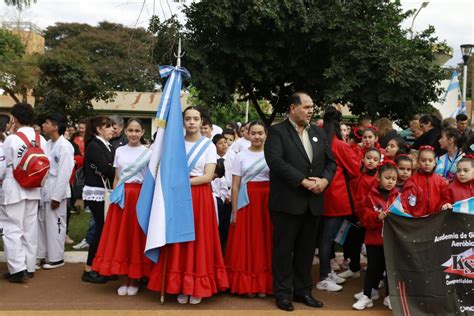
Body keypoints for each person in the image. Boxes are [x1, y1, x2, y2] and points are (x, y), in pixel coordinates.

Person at [147, 106, 228, 304]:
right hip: (177, 196)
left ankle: (197, 286)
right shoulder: (175, 144)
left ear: (202, 122)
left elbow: (208, 176)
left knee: (198, 240)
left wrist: (181, 181)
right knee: (178, 240)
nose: (192, 122)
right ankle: (181, 284)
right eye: (188, 119)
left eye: (196, 119)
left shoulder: (208, 146)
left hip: (199, 196)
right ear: (183, 122)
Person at [264, 92, 336, 312]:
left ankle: (303, 291)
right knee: (284, 250)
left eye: (312, 107)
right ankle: (283, 293)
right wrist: (303, 182)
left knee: (306, 251)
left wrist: (324, 180)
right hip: (287, 202)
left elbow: (331, 163)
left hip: (313, 202)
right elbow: (275, 161)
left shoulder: (318, 132)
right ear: (292, 108)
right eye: (306, 107)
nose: (311, 110)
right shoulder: (277, 132)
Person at [92, 118, 152, 296]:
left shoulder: (148, 153)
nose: (133, 134)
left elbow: (150, 180)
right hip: (121, 196)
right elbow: (117, 177)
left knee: (135, 236)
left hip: (139, 196)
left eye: (137, 131)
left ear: (142, 132)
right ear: (125, 132)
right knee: (122, 237)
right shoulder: (119, 150)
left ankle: (135, 279)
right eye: (130, 130)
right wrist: (113, 196)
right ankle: (125, 277)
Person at [1, 103, 47, 283]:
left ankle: (17, 269)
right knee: (30, 229)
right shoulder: (40, 139)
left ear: (15, 118)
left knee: (12, 229)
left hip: (14, 187)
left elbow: (5, 165)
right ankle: (29, 266)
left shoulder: (11, 139)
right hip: (34, 187)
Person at [226, 121, 272, 296]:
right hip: (246, 201)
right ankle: (248, 284)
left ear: (266, 134)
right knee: (247, 241)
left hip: (267, 200)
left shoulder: (272, 154)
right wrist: (235, 210)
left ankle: (264, 284)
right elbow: (235, 185)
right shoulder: (240, 156)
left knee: (264, 240)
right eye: (253, 133)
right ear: (247, 135)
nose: (257, 136)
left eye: (260, 133)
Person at [316, 106, 360, 292]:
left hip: (319, 193)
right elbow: (355, 170)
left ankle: (326, 272)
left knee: (324, 238)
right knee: (327, 239)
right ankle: (324, 276)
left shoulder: (318, 140)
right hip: (337, 195)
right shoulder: (340, 145)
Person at [352, 161, 398, 311]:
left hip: (391, 242)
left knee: (390, 270)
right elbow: (365, 218)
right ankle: (367, 296)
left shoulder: (399, 197)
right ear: (379, 178)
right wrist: (377, 217)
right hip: (373, 240)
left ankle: (389, 297)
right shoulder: (370, 196)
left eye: (393, 179)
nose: (390, 181)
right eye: (387, 178)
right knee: (373, 268)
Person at [37, 114, 75, 270]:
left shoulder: (65, 146)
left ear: (55, 127)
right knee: (42, 224)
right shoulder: (47, 144)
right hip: (45, 188)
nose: (43, 125)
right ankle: (41, 254)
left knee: (56, 224)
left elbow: (65, 173)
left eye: (46, 123)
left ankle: (56, 257)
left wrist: (57, 197)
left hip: (56, 191)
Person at [81, 116, 115, 283]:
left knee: (105, 229)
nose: (112, 129)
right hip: (98, 191)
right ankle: (89, 268)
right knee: (101, 229)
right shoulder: (95, 145)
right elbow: (106, 169)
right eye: (107, 126)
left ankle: (101, 265)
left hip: (104, 191)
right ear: (99, 129)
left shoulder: (106, 145)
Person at [409, 146, 449, 217]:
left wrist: (444, 205)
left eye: (430, 160)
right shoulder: (413, 180)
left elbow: (445, 199)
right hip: (416, 218)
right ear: (418, 162)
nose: (427, 163)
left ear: (434, 163)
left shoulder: (440, 181)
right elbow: (408, 200)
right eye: (423, 160)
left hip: (435, 218)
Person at [211, 134, 233, 252]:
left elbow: (235, 178)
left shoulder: (233, 157)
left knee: (225, 225)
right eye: (220, 143)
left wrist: (228, 195)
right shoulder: (210, 159)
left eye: (225, 142)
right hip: (214, 195)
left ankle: (223, 249)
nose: (224, 145)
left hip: (229, 192)